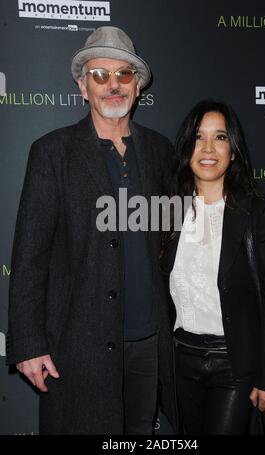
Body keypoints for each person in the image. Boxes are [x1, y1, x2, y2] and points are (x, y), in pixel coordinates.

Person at [6, 26, 176, 435]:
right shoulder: (52, 153)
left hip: (149, 343)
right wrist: (29, 344)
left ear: (137, 88)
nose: (112, 85)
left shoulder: (160, 151)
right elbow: (30, 256)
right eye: (100, 76)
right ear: (83, 87)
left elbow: (172, 241)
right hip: (77, 344)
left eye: (123, 75)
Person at [160, 100, 265, 434]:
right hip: (180, 363)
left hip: (235, 364)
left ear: (233, 150)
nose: (208, 148)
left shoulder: (261, 214)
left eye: (219, 137)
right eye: (198, 137)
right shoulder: (166, 213)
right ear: (186, 148)